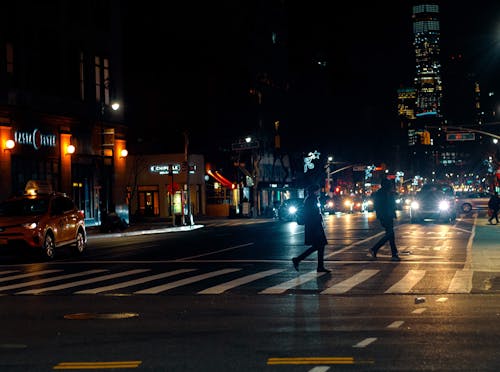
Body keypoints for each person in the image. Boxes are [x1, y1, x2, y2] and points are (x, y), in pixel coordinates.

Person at [292, 184, 331, 273]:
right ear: (314, 191)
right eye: (318, 190)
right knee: (318, 246)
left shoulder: (311, 199)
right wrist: (319, 219)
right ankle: (298, 259)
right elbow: (312, 214)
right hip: (314, 227)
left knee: (319, 246)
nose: (319, 192)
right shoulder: (311, 200)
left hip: (315, 226)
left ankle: (319, 266)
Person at [369, 178, 400, 261]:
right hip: (385, 216)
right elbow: (378, 206)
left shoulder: (388, 193)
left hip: (389, 216)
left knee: (390, 235)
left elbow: (392, 204)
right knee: (390, 234)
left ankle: (393, 254)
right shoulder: (380, 194)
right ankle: (375, 248)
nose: (390, 186)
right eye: (389, 184)